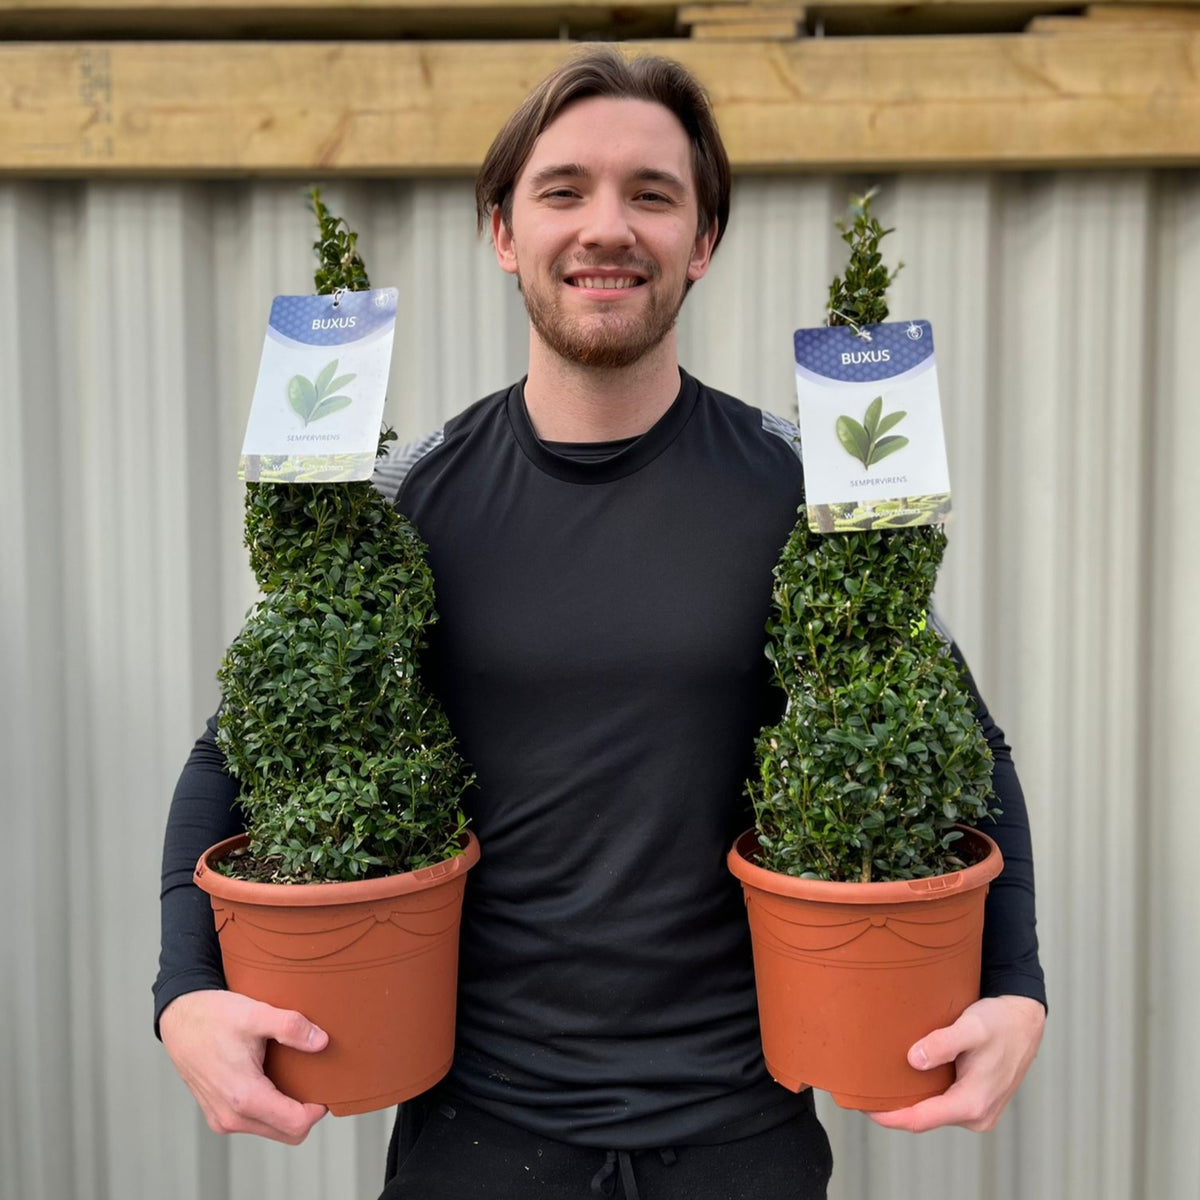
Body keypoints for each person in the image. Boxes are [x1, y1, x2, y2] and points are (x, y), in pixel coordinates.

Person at [156, 48, 1046, 1199]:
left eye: (654, 194)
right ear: (504, 232)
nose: (607, 228)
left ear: (704, 242)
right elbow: (228, 753)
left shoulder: (801, 487)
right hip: (476, 1140)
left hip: (740, 1140)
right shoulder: (408, 496)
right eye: (564, 190)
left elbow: (975, 749)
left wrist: (1015, 983)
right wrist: (184, 993)